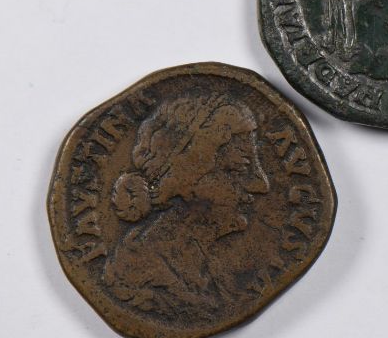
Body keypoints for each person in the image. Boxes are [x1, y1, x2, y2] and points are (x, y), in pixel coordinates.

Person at [103, 94, 279, 319]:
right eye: (240, 168)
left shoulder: (202, 272)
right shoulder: (139, 280)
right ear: (185, 178)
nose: (262, 185)